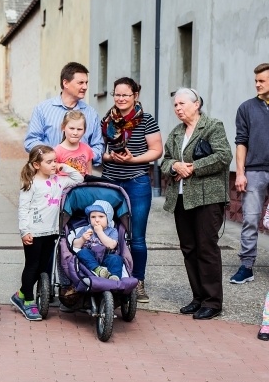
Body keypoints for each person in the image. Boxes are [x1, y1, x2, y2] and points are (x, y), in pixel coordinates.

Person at [160, 88, 232, 320]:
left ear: (196, 104)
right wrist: (173, 166)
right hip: (181, 197)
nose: (178, 108)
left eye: (181, 104)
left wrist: (191, 167)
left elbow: (223, 156)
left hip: (207, 198)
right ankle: (198, 297)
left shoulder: (212, 126)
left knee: (206, 248)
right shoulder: (176, 132)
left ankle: (213, 301)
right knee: (189, 248)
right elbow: (165, 160)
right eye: (175, 105)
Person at [100, 77, 162, 303]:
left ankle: (138, 281)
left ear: (136, 95)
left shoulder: (146, 120)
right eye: (117, 94)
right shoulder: (107, 121)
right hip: (109, 182)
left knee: (137, 237)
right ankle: (112, 278)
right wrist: (109, 156)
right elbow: (99, 151)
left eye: (126, 94)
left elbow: (156, 150)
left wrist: (133, 159)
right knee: (108, 232)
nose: (121, 98)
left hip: (137, 182)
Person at [14, 146, 83, 321]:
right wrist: (25, 231)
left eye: (55, 160)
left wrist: (63, 167)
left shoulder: (59, 181)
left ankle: (21, 294)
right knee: (32, 266)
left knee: (44, 268)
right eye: (49, 162)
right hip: (34, 232)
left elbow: (79, 178)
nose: (54, 164)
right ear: (37, 165)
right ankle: (28, 301)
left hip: (52, 232)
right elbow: (23, 209)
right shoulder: (30, 184)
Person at [231, 63, 269, 285]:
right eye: (255, 80)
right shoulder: (246, 108)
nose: (257, 84)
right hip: (254, 171)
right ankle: (246, 267)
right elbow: (241, 142)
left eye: (262, 81)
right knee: (251, 219)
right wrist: (240, 173)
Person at [24, 62, 104, 164]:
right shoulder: (42, 109)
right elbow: (31, 141)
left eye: (86, 83)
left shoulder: (91, 113)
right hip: (49, 175)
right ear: (65, 83)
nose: (85, 87)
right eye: (80, 83)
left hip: (80, 176)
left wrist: (82, 157)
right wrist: (53, 156)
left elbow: (98, 146)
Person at [69, 200, 123, 280]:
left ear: (108, 218)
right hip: (91, 256)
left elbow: (112, 245)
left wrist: (99, 232)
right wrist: (82, 239)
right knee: (82, 253)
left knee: (117, 259)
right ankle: (97, 270)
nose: (97, 220)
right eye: (93, 217)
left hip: (106, 256)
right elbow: (75, 245)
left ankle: (114, 276)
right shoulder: (86, 229)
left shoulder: (112, 230)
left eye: (101, 216)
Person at [54, 110, 94, 176]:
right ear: (63, 127)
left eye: (79, 129)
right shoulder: (57, 151)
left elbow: (89, 174)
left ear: (84, 130)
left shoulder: (87, 149)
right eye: (72, 128)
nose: (75, 133)